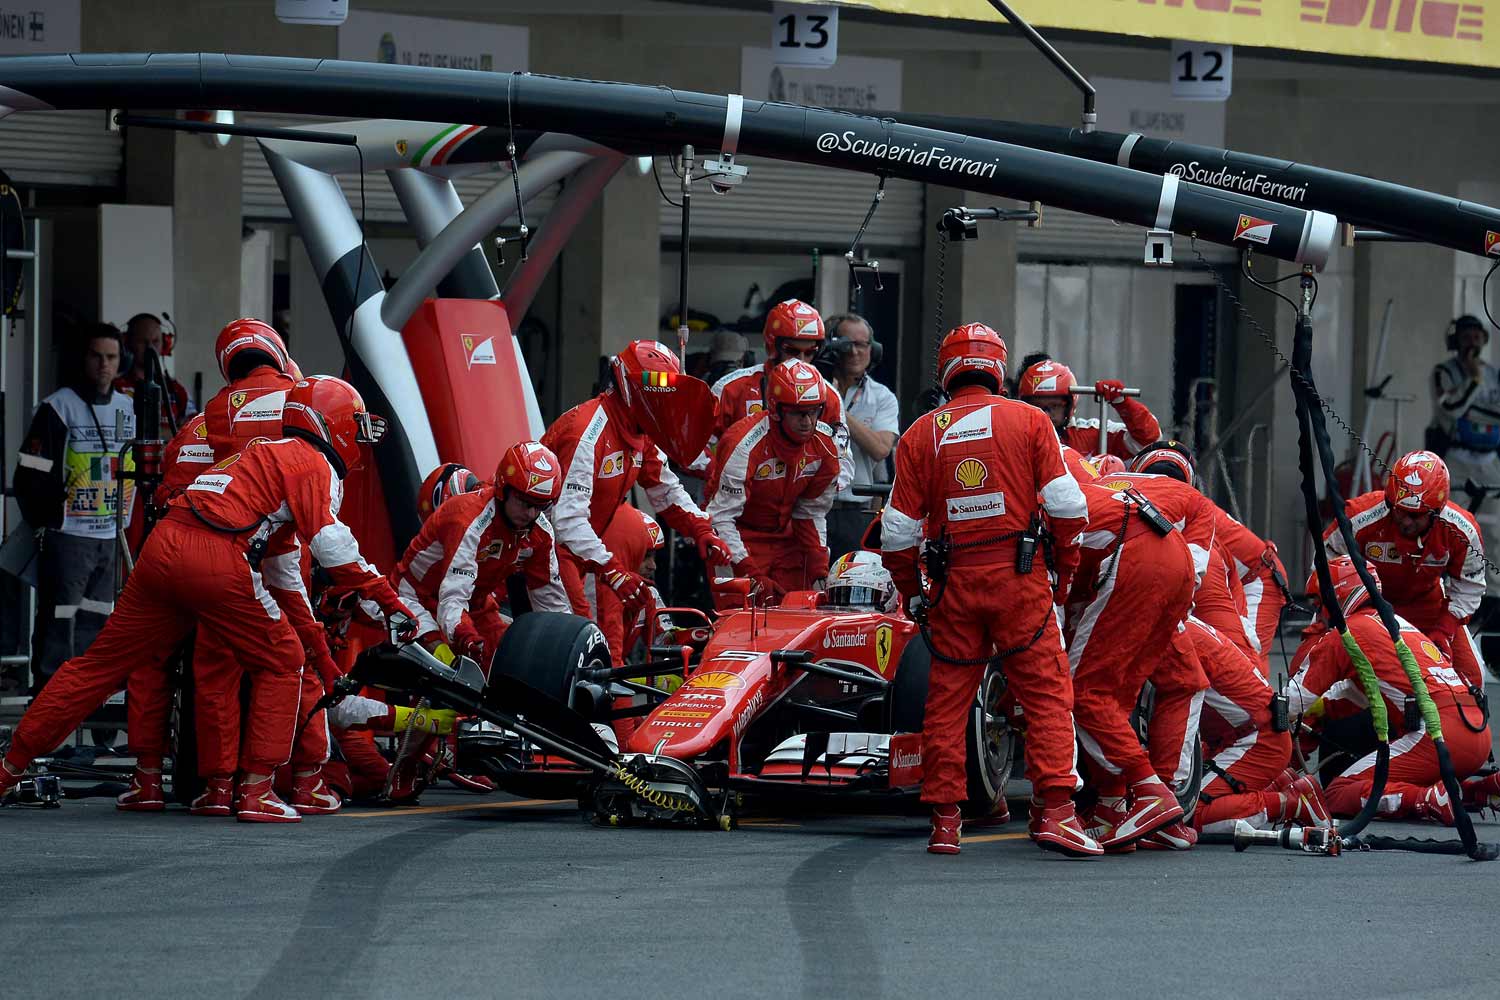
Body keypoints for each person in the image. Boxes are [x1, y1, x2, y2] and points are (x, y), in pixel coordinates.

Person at [0, 376, 418, 823]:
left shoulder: (252, 452)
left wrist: (327, 653)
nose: (359, 438)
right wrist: (387, 600)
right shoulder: (310, 463)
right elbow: (332, 547)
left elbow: (281, 571)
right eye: (354, 426)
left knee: (98, 667)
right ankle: (256, 791)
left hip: (163, 547)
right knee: (282, 660)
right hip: (216, 554)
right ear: (331, 422)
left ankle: (8, 770)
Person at [882, 322, 1099, 858]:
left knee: (948, 703)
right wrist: (1063, 573)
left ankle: (946, 823)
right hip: (1020, 581)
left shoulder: (919, 434)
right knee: (1047, 693)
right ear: (999, 370)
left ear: (946, 372)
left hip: (952, 585)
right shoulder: (1029, 420)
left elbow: (896, 534)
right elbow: (1071, 508)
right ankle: (1055, 814)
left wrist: (914, 593)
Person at [1288, 556, 1492, 823]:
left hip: (1436, 731)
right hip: (1476, 729)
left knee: (1337, 793)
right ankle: (1480, 791)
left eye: (1319, 603)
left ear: (1335, 594)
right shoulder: (1397, 624)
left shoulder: (1346, 634)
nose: (1319, 613)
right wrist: (1324, 706)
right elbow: (1362, 696)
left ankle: (1425, 800)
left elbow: (1291, 702)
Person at [543, 340, 729, 621]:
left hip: (580, 552)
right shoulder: (586, 433)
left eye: (666, 395)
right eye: (653, 394)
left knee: (590, 634)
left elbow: (665, 489)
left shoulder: (642, 432)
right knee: (575, 635)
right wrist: (613, 570)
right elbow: (566, 520)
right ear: (629, 388)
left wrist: (701, 529)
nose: (661, 403)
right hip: (545, 550)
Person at [1066, 476, 1202, 852]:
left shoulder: (1034, 493)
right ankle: (1132, 807)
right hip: (1177, 561)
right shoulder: (1184, 498)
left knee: (1079, 693)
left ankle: (1149, 791)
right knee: (1113, 700)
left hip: (1137, 563)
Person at [12, 322, 136, 692]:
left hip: (111, 536)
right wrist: (46, 519)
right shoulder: (58, 408)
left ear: (121, 361)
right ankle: (50, 702)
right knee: (58, 621)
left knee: (97, 621)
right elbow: (29, 473)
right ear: (84, 359)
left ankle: (88, 700)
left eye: (111, 357)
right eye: (97, 356)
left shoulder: (127, 408)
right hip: (69, 536)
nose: (104, 365)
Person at [382, 441, 569, 665]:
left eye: (540, 506)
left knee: (512, 661)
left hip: (476, 605)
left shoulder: (541, 531)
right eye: (524, 502)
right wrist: (466, 638)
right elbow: (452, 596)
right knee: (451, 667)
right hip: (416, 600)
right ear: (503, 489)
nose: (531, 513)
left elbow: (552, 602)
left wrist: (566, 645)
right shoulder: (467, 519)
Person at [1323, 450, 1489, 689]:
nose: (1405, 520)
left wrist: (1445, 630)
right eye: (1398, 509)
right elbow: (1324, 564)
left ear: (1436, 510)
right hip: (1366, 606)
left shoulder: (1462, 530)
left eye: (1415, 515)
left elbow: (1469, 586)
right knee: (1318, 665)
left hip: (1426, 605)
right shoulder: (1360, 516)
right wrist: (1340, 610)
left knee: (1472, 678)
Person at [706, 358, 841, 601]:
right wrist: (749, 571)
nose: (807, 422)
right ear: (776, 410)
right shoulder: (743, 444)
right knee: (737, 623)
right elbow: (721, 518)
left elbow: (812, 512)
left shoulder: (826, 446)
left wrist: (819, 566)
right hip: (738, 537)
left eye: (813, 412)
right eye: (798, 414)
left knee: (797, 618)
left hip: (788, 540)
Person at [706, 299, 853, 490]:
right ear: (772, 346)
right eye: (792, 351)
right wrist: (729, 475)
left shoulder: (828, 395)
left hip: (795, 509)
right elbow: (697, 448)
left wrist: (810, 489)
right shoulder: (731, 388)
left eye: (810, 353)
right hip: (735, 504)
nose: (801, 361)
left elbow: (843, 462)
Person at [1429, 314, 1500, 592]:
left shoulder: (1494, 373)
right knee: (1451, 526)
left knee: (1493, 529)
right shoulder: (1443, 372)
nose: (1472, 341)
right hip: (1456, 459)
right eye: (1466, 336)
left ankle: (1492, 594)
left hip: (1489, 460)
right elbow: (1453, 409)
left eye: (1476, 336)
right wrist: (1472, 380)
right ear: (1455, 340)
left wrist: (1475, 415)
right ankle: (1446, 587)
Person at [821, 313, 900, 561]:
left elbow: (880, 448)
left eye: (862, 344)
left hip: (855, 511)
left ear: (873, 350)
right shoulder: (809, 389)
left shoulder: (882, 396)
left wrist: (835, 407)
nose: (855, 352)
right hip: (811, 510)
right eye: (847, 344)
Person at [1015, 357, 1162, 460]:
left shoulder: (1092, 433)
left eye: (1054, 406)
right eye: (1037, 407)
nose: (1045, 414)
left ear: (1070, 405)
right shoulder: (1012, 437)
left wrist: (1123, 403)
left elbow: (1148, 441)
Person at [113, 313, 193, 435]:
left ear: (165, 344)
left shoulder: (176, 390)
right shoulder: (115, 387)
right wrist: (172, 433)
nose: (150, 347)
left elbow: (196, 432)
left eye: (155, 341)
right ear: (127, 344)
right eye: (142, 341)